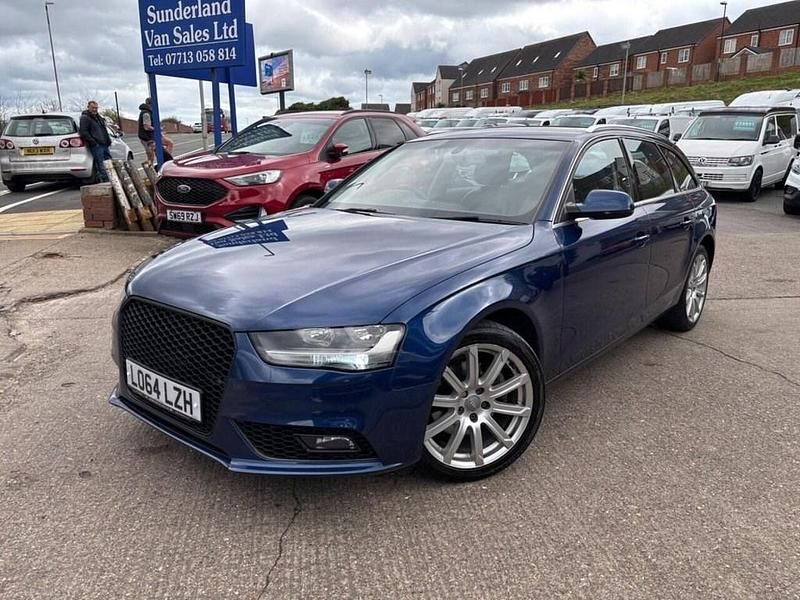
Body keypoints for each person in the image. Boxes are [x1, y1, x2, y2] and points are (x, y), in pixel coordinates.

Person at [79, 100, 112, 182]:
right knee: (101, 164)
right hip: (97, 145)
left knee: (109, 162)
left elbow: (103, 130)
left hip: (104, 144)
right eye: (93, 108)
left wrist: (108, 140)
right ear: (88, 107)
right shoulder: (85, 118)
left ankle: (112, 178)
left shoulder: (98, 117)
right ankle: (105, 181)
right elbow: (83, 132)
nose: (94, 109)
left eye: (96, 108)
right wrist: (93, 142)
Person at [137, 97, 174, 166]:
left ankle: (163, 161)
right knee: (151, 156)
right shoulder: (146, 114)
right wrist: (156, 129)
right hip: (147, 138)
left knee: (169, 143)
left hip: (153, 136)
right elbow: (146, 127)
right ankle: (153, 166)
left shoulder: (149, 112)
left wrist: (159, 129)